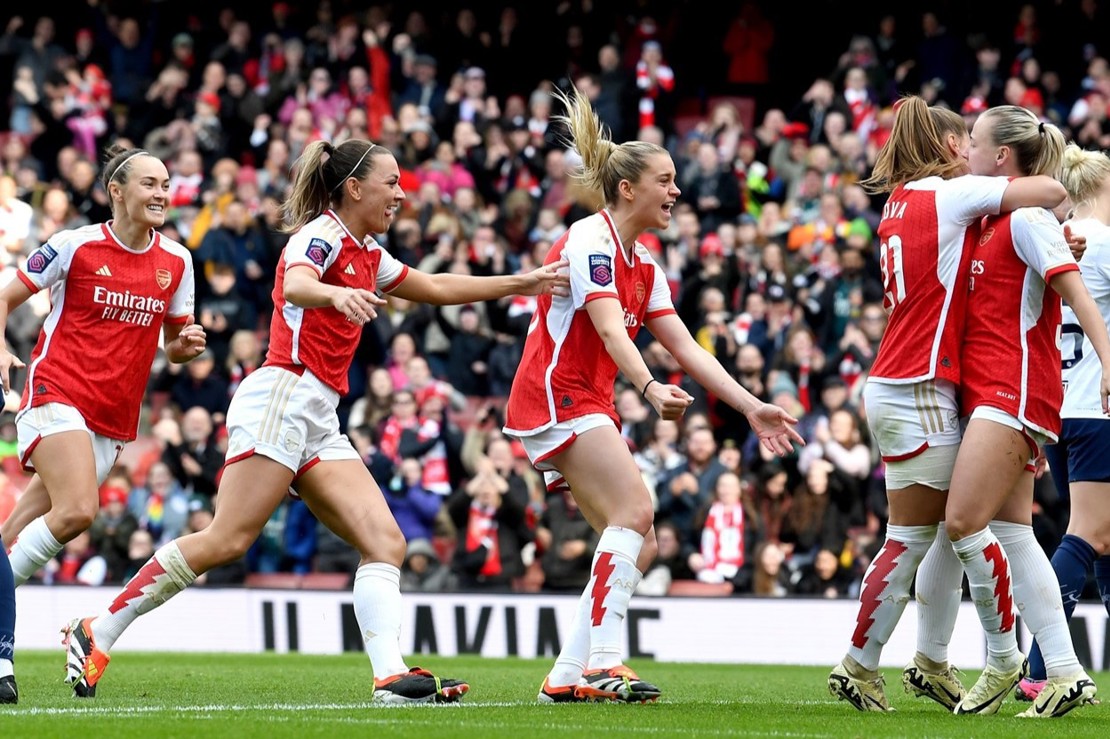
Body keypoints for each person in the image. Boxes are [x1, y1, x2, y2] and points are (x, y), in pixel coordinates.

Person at [62, 138, 569, 704]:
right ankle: (97, 630)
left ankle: (389, 678)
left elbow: (436, 287)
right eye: (391, 183)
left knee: (385, 542)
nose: (401, 194)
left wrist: (521, 283)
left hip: (317, 411)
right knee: (228, 538)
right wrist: (336, 296)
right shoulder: (321, 234)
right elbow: (299, 283)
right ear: (354, 188)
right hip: (283, 393)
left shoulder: (367, 251)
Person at [503, 85, 803, 705]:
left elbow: (688, 349)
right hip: (558, 395)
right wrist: (645, 384)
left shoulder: (646, 262)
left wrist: (750, 407)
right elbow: (612, 328)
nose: (677, 191)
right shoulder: (591, 240)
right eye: (665, 181)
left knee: (641, 542)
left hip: (586, 400)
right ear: (627, 189)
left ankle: (565, 675)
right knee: (635, 516)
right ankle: (605, 663)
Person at [824, 96, 1071, 713]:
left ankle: (887, 662)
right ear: (942, 149)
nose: (967, 147)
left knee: (914, 535)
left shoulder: (899, 202)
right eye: (960, 138)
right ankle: (1006, 658)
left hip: (894, 379)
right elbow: (1046, 189)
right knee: (960, 527)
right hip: (923, 386)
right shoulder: (947, 194)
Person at [917, 109, 1105, 717]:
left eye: (974, 143)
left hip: (1015, 389)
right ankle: (1068, 674)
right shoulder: (985, 220)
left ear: (1001, 157)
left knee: (961, 523)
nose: (965, 152)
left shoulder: (1025, 218)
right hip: (993, 395)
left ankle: (1003, 661)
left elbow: (1076, 293)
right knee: (1014, 535)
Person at [0, 144, 205, 589]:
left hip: (114, 415)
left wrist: (185, 346)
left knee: (14, 532)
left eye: (166, 186)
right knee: (77, 510)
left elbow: (173, 343)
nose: (161, 195)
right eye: (149, 184)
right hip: (58, 391)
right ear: (116, 190)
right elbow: (4, 297)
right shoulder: (74, 244)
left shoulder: (178, 260)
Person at [1019, 144, 1110, 701]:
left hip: (1060, 411)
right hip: (1099, 409)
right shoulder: (1102, 243)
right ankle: (1039, 667)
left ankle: (1039, 665)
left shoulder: (1058, 240)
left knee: (1106, 539)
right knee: (1089, 533)